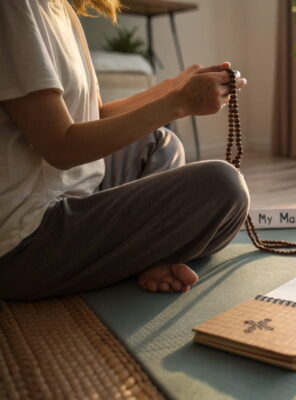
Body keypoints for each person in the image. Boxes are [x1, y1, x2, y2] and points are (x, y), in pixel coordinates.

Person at [0, 0, 250, 300]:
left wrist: (173, 89)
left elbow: (94, 116)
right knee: (223, 185)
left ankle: (145, 254)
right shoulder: (14, 7)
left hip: (75, 193)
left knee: (158, 143)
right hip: (24, 242)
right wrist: (177, 103)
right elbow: (60, 146)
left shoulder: (61, 9)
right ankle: (151, 254)